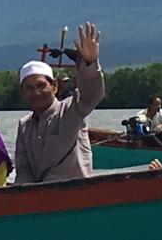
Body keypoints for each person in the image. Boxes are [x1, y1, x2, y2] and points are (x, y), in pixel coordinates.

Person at [14, 22, 104, 184]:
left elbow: (91, 94)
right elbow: (23, 169)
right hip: (39, 199)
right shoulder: (24, 125)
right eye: (29, 88)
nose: (36, 92)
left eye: (41, 86)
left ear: (54, 86)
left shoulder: (72, 109)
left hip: (77, 194)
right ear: (23, 94)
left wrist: (90, 63)